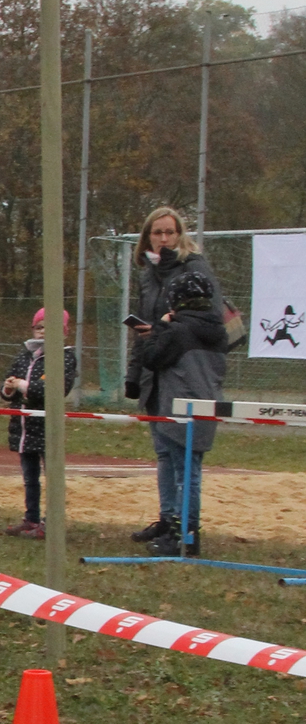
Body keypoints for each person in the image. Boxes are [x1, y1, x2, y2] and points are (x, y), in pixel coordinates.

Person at [126, 206, 226, 554]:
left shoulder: (194, 268)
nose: (164, 238)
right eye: (158, 232)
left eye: (170, 232)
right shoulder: (147, 275)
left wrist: (165, 330)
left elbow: (209, 318)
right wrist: (134, 373)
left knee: (184, 458)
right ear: (147, 237)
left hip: (183, 371)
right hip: (157, 370)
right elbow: (144, 330)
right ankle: (168, 519)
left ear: (180, 235)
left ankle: (185, 529)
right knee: (164, 453)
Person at [0, 307, 77, 539]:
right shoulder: (24, 355)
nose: (43, 331)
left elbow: (53, 390)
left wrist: (22, 386)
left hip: (47, 429)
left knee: (52, 478)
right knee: (29, 478)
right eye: (39, 327)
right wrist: (8, 388)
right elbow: (8, 385)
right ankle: (31, 519)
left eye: (50, 327)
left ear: (63, 332)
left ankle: (50, 522)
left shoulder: (65, 357)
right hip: (23, 428)